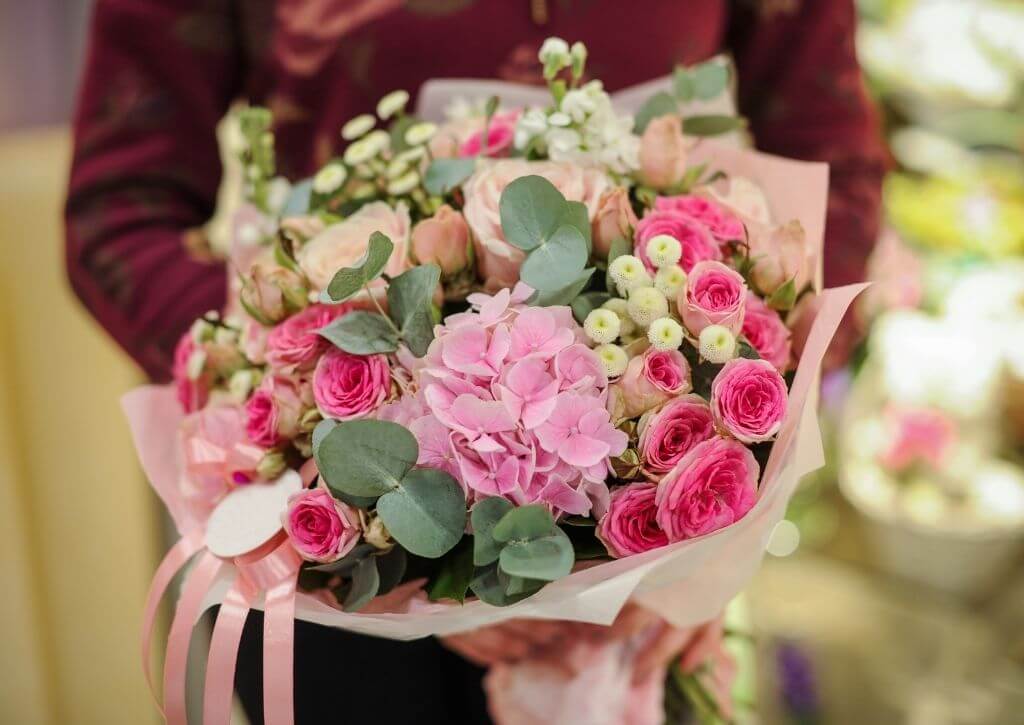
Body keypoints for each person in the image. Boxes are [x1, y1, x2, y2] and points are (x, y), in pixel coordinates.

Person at [66, 1, 886, 722]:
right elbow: (122, 212)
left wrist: (719, 497)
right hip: (354, 573)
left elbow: (833, 159)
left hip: (656, 584)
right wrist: (304, 413)